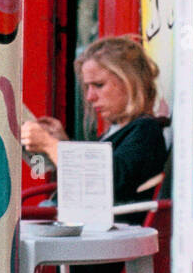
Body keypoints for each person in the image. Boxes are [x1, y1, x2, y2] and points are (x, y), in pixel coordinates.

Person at [21, 35, 168, 209]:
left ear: (130, 83)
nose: (90, 97)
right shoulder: (116, 131)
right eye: (87, 87)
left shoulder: (145, 130)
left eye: (98, 85)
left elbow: (104, 182)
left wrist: (51, 145)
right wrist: (62, 143)